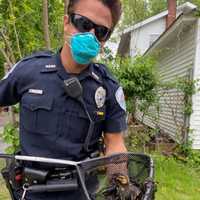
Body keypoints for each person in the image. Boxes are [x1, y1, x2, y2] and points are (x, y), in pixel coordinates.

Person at [0, 0, 128, 199]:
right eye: (84, 24)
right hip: (31, 192)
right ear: (67, 22)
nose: (91, 35)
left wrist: (121, 185)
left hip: (82, 192)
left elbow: (115, 144)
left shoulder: (108, 87)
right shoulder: (29, 71)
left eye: (101, 31)